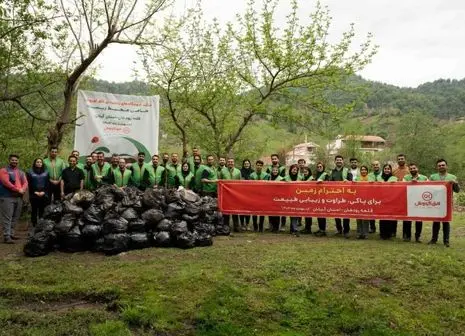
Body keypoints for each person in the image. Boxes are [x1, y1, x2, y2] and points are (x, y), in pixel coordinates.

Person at [428, 159, 460, 247]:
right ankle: (434, 239)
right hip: (435, 203)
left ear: (446, 166)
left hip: (447, 203)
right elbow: (427, 189)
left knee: (446, 222)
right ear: (437, 167)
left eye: (443, 165)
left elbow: (457, 191)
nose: (441, 167)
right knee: (436, 221)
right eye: (439, 165)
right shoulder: (432, 177)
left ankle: (446, 241)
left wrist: (455, 183)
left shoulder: (452, 177)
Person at [0, 154, 28, 244]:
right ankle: (6, 236)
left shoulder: (21, 172)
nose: (14, 161)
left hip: (19, 197)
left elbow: (25, 182)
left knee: (15, 217)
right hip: (7, 197)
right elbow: (6, 182)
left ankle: (11, 234)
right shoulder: (3, 170)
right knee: (7, 217)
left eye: (16, 160)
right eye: (13, 160)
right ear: (9, 160)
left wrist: (23, 189)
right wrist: (18, 189)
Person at [402, 163, 428, 242]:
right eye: (411, 169)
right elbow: (402, 187)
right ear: (409, 170)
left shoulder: (424, 178)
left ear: (417, 168)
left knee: (419, 220)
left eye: (414, 168)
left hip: (420, 202)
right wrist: (410, 183)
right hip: (408, 201)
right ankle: (407, 236)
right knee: (407, 220)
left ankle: (418, 237)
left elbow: (429, 187)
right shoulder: (405, 178)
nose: (412, 170)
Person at [329, 155, 353, 238]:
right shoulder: (332, 171)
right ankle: (339, 229)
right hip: (335, 196)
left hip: (345, 196)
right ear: (335, 161)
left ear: (343, 161)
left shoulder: (347, 171)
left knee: (346, 214)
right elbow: (329, 183)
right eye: (337, 160)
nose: (339, 161)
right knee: (336, 213)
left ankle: (346, 231)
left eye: (340, 160)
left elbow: (351, 181)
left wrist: (348, 181)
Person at [219, 158, 241, 232]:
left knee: (235, 210)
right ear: (227, 163)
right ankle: (226, 227)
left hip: (235, 194)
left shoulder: (238, 171)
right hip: (225, 194)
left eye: (232, 162)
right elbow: (220, 182)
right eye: (229, 162)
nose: (230, 163)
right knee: (226, 211)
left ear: (234, 163)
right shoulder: (222, 171)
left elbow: (240, 183)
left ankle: (236, 226)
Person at [27, 158, 50, 228]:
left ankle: (41, 225)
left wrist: (44, 192)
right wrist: (34, 192)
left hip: (43, 194)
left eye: (40, 162)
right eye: (37, 162)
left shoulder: (46, 172)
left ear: (42, 164)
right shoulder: (30, 172)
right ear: (35, 163)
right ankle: (34, 225)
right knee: (34, 211)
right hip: (34, 194)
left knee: (42, 211)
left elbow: (47, 184)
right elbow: (29, 184)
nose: (39, 163)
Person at [266, 154, 287, 230]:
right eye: (273, 159)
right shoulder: (268, 168)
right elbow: (267, 178)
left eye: (275, 159)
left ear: (278, 159)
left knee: (282, 208)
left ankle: (283, 225)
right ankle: (270, 224)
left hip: (280, 192)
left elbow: (283, 178)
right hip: (271, 192)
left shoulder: (282, 168)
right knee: (270, 209)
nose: (274, 160)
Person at [249, 160, 269, 232]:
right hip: (254, 195)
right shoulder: (251, 175)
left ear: (262, 166)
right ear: (255, 165)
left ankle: (261, 226)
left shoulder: (266, 175)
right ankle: (255, 226)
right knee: (254, 211)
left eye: (260, 165)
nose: (259, 166)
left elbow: (266, 186)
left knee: (262, 211)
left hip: (263, 195)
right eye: (258, 165)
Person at [379, 164, 398, 240]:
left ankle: (389, 234)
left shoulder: (394, 178)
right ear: (383, 170)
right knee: (382, 218)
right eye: (385, 168)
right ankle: (382, 234)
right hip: (382, 200)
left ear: (390, 170)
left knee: (390, 218)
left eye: (388, 169)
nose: (387, 170)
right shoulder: (379, 178)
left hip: (391, 200)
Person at [285, 164, 302, 236]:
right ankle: (294, 229)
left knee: (295, 214)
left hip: (297, 198)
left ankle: (293, 229)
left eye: (296, 170)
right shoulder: (286, 178)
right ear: (290, 170)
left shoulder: (300, 178)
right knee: (292, 214)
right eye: (293, 169)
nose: (294, 171)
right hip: (288, 198)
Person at [354, 165, 370, 239]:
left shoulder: (370, 178)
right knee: (359, 217)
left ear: (367, 171)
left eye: (365, 170)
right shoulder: (357, 178)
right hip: (358, 200)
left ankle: (366, 233)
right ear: (360, 171)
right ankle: (359, 233)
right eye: (362, 170)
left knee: (366, 217)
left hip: (367, 200)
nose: (363, 171)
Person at [314, 162, 329, 237]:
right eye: (318, 167)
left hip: (323, 197)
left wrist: (322, 182)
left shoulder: (325, 175)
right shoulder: (316, 175)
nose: (319, 168)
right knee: (318, 214)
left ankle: (323, 230)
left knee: (322, 214)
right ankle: (320, 229)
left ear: (323, 167)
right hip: (317, 197)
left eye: (320, 166)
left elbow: (328, 184)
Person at [367, 160, 383, 233]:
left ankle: (382, 229)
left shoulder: (384, 173)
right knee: (371, 213)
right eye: (374, 165)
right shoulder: (369, 175)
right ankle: (372, 228)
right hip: (372, 196)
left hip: (382, 196)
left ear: (379, 165)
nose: (375, 166)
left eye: (377, 164)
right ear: (372, 167)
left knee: (382, 213)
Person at [267, 166, 284, 233]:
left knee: (276, 214)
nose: (275, 171)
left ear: (278, 171)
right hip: (270, 198)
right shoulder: (269, 178)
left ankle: (276, 228)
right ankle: (271, 227)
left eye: (276, 170)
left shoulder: (281, 178)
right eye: (273, 170)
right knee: (270, 214)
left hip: (278, 198)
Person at [239, 159, 253, 230]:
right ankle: (242, 224)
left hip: (250, 193)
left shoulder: (253, 171)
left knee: (248, 209)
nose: (246, 164)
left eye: (248, 163)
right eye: (245, 163)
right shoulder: (240, 171)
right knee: (241, 209)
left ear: (250, 164)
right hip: (241, 193)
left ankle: (247, 224)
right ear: (243, 164)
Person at [301, 166, 314, 234]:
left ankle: (308, 229)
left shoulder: (311, 179)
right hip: (304, 198)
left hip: (310, 199)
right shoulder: (303, 178)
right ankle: (306, 227)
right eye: (304, 172)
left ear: (309, 172)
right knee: (306, 214)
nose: (305, 173)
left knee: (308, 214)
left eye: (306, 172)